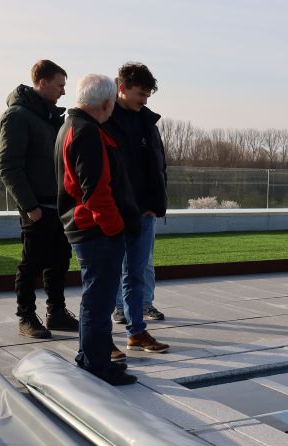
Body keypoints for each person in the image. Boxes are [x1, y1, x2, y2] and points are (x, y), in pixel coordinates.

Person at [55, 74, 140, 386]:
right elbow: (95, 191)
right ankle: (94, 366)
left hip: (88, 228)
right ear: (106, 103)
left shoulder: (72, 126)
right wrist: (115, 228)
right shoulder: (87, 132)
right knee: (98, 302)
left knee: (97, 299)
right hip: (95, 230)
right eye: (112, 105)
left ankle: (94, 358)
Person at [0, 59, 78, 339]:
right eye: (60, 85)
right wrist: (29, 205)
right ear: (42, 83)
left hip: (58, 206)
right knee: (31, 262)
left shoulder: (50, 117)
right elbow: (8, 165)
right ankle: (26, 316)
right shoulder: (18, 115)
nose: (63, 92)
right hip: (37, 207)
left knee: (59, 260)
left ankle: (56, 312)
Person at [104, 62, 169, 356]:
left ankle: (136, 332)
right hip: (113, 213)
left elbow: (158, 166)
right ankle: (102, 338)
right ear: (122, 88)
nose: (144, 100)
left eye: (147, 95)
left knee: (136, 274)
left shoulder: (147, 122)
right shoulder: (103, 119)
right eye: (140, 93)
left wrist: (155, 205)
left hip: (143, 213)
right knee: (105, 275)